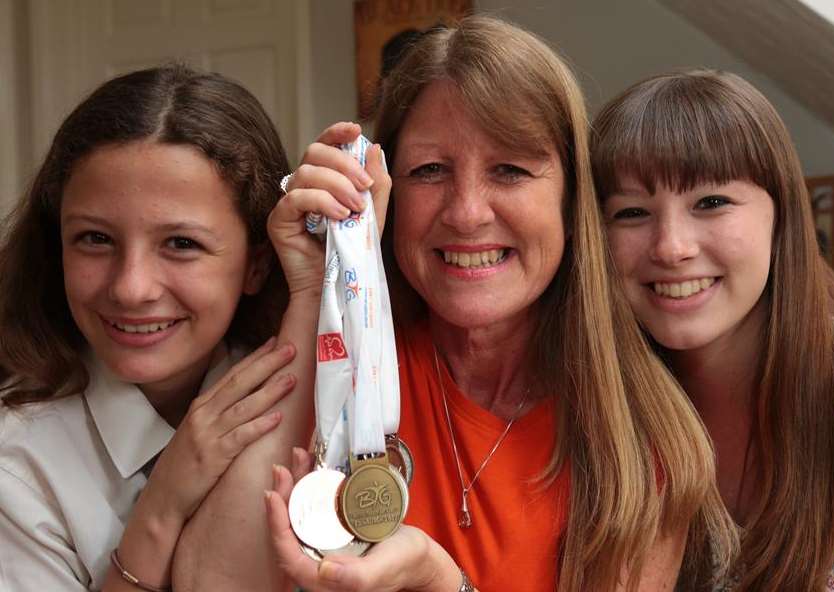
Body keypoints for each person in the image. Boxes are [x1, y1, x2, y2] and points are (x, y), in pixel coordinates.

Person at [175, 17, 736, 592]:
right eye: (431, 171)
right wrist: (319, 291)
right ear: (383, 190)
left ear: (571, 203)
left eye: (511, 170)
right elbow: (209, 583)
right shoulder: (350, 376)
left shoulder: (642, 441)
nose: (467, 212)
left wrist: (443, 584)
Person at [0, 64, 302, 591]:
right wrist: (161, 507)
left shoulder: (313, 395)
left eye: (181, 244)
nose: (130, 288)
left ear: (257, 263)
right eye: (95, 239)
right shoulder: (19, 464)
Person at [591, 68, 834, 590]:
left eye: (710, 203)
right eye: (632, 212)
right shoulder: (598, 404)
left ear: (783, 216)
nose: (671, 246)